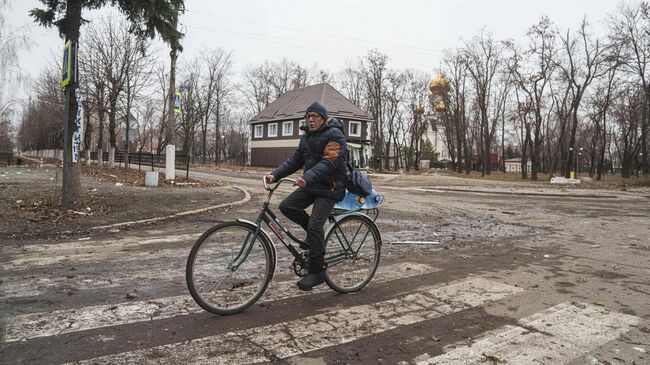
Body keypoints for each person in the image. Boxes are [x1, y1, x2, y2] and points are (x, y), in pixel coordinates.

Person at [265, 101, 348, 291]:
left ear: (323, 118)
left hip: (330, 187)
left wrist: (306, 177)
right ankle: (313, 237)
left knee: (315, 225)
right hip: (312, 184)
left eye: (315, 116)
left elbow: (329, 162)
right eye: (308, 116)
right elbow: (295, 160)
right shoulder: (306, 137)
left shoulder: (335, 135)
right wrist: (275, 174)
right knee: (287, 206)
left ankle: (317, 271)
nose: (310, 120)